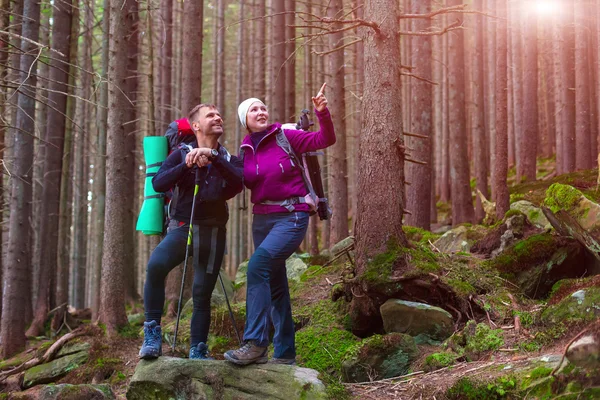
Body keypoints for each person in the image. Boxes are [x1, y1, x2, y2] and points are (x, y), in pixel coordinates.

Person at [224, 84, 335, 365]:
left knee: (257, 266)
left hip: (291, 216)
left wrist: (323, 113)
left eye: (262, 107)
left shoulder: (286, 136)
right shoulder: (245, 151)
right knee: (275, 285)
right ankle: (285, 353)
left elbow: (325, 139)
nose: (260, 111)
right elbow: (239, 182)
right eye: (253, 109)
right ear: (245, 121)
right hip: (261, 220)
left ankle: (256, 343)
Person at [139, 104, 243, 360]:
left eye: (219, 114)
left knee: (202, 293)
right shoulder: (180, 153)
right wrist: (185, 165)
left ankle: (198, 347)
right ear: (195, 125)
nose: (218, 117)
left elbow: (238, 183)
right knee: (155, 267)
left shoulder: (228, 158)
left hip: (213, 232)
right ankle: (152, 334)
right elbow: (159, 182)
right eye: (211, 115)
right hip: (183, 229)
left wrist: (215, 158)